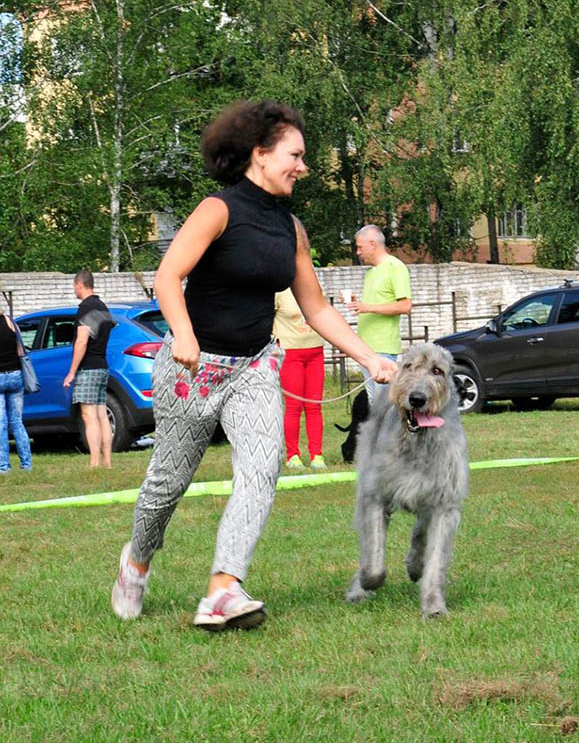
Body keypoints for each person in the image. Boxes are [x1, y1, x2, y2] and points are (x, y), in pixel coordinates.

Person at [111, 99, 398, 631]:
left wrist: (369, 358)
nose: (303, 167)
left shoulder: (291, 229)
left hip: (254, 367)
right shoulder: (217, 210)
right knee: (166, 485)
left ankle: (223, 589)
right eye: (295, 155)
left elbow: (314, 308)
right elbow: (168, 277)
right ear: (260, 154)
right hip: (193, 369)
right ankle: (137, 561)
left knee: (264, 467)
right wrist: (185, 335)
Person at [346, 224, 412, 404]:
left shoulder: (395, 267)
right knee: (375, 406)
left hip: (383, 350)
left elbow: (405, 306)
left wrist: (367, 307)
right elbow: (374, 304)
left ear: (373, 244)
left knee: (386, 406)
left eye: (360, 247)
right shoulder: (370, 272)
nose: (358, 252)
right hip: (366, 350)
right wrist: (358, 303)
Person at [63, 270, 114, 469]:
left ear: (79, 284)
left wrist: (72, 371)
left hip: (89, 367)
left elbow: (82, 341)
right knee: (102, 414)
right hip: (102, 365)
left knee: (88, 415)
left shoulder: (86, 307)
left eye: (74, 286)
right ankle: (107, 462)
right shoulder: (102, 307)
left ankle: (94, 463)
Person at [274, 287, 326, 470]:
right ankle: (293, 455)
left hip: (316, 351)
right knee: (294, 405)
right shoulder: (279, 289)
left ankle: (317, 455)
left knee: (314, 405)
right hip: (290, 352)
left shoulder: (314, 286)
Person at [0, 310, 32, 473]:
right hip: (15, 375)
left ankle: (4, 467)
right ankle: (27, 465)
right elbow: (21, 351)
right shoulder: (10, 321)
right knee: (17, 422)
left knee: (1, 424)